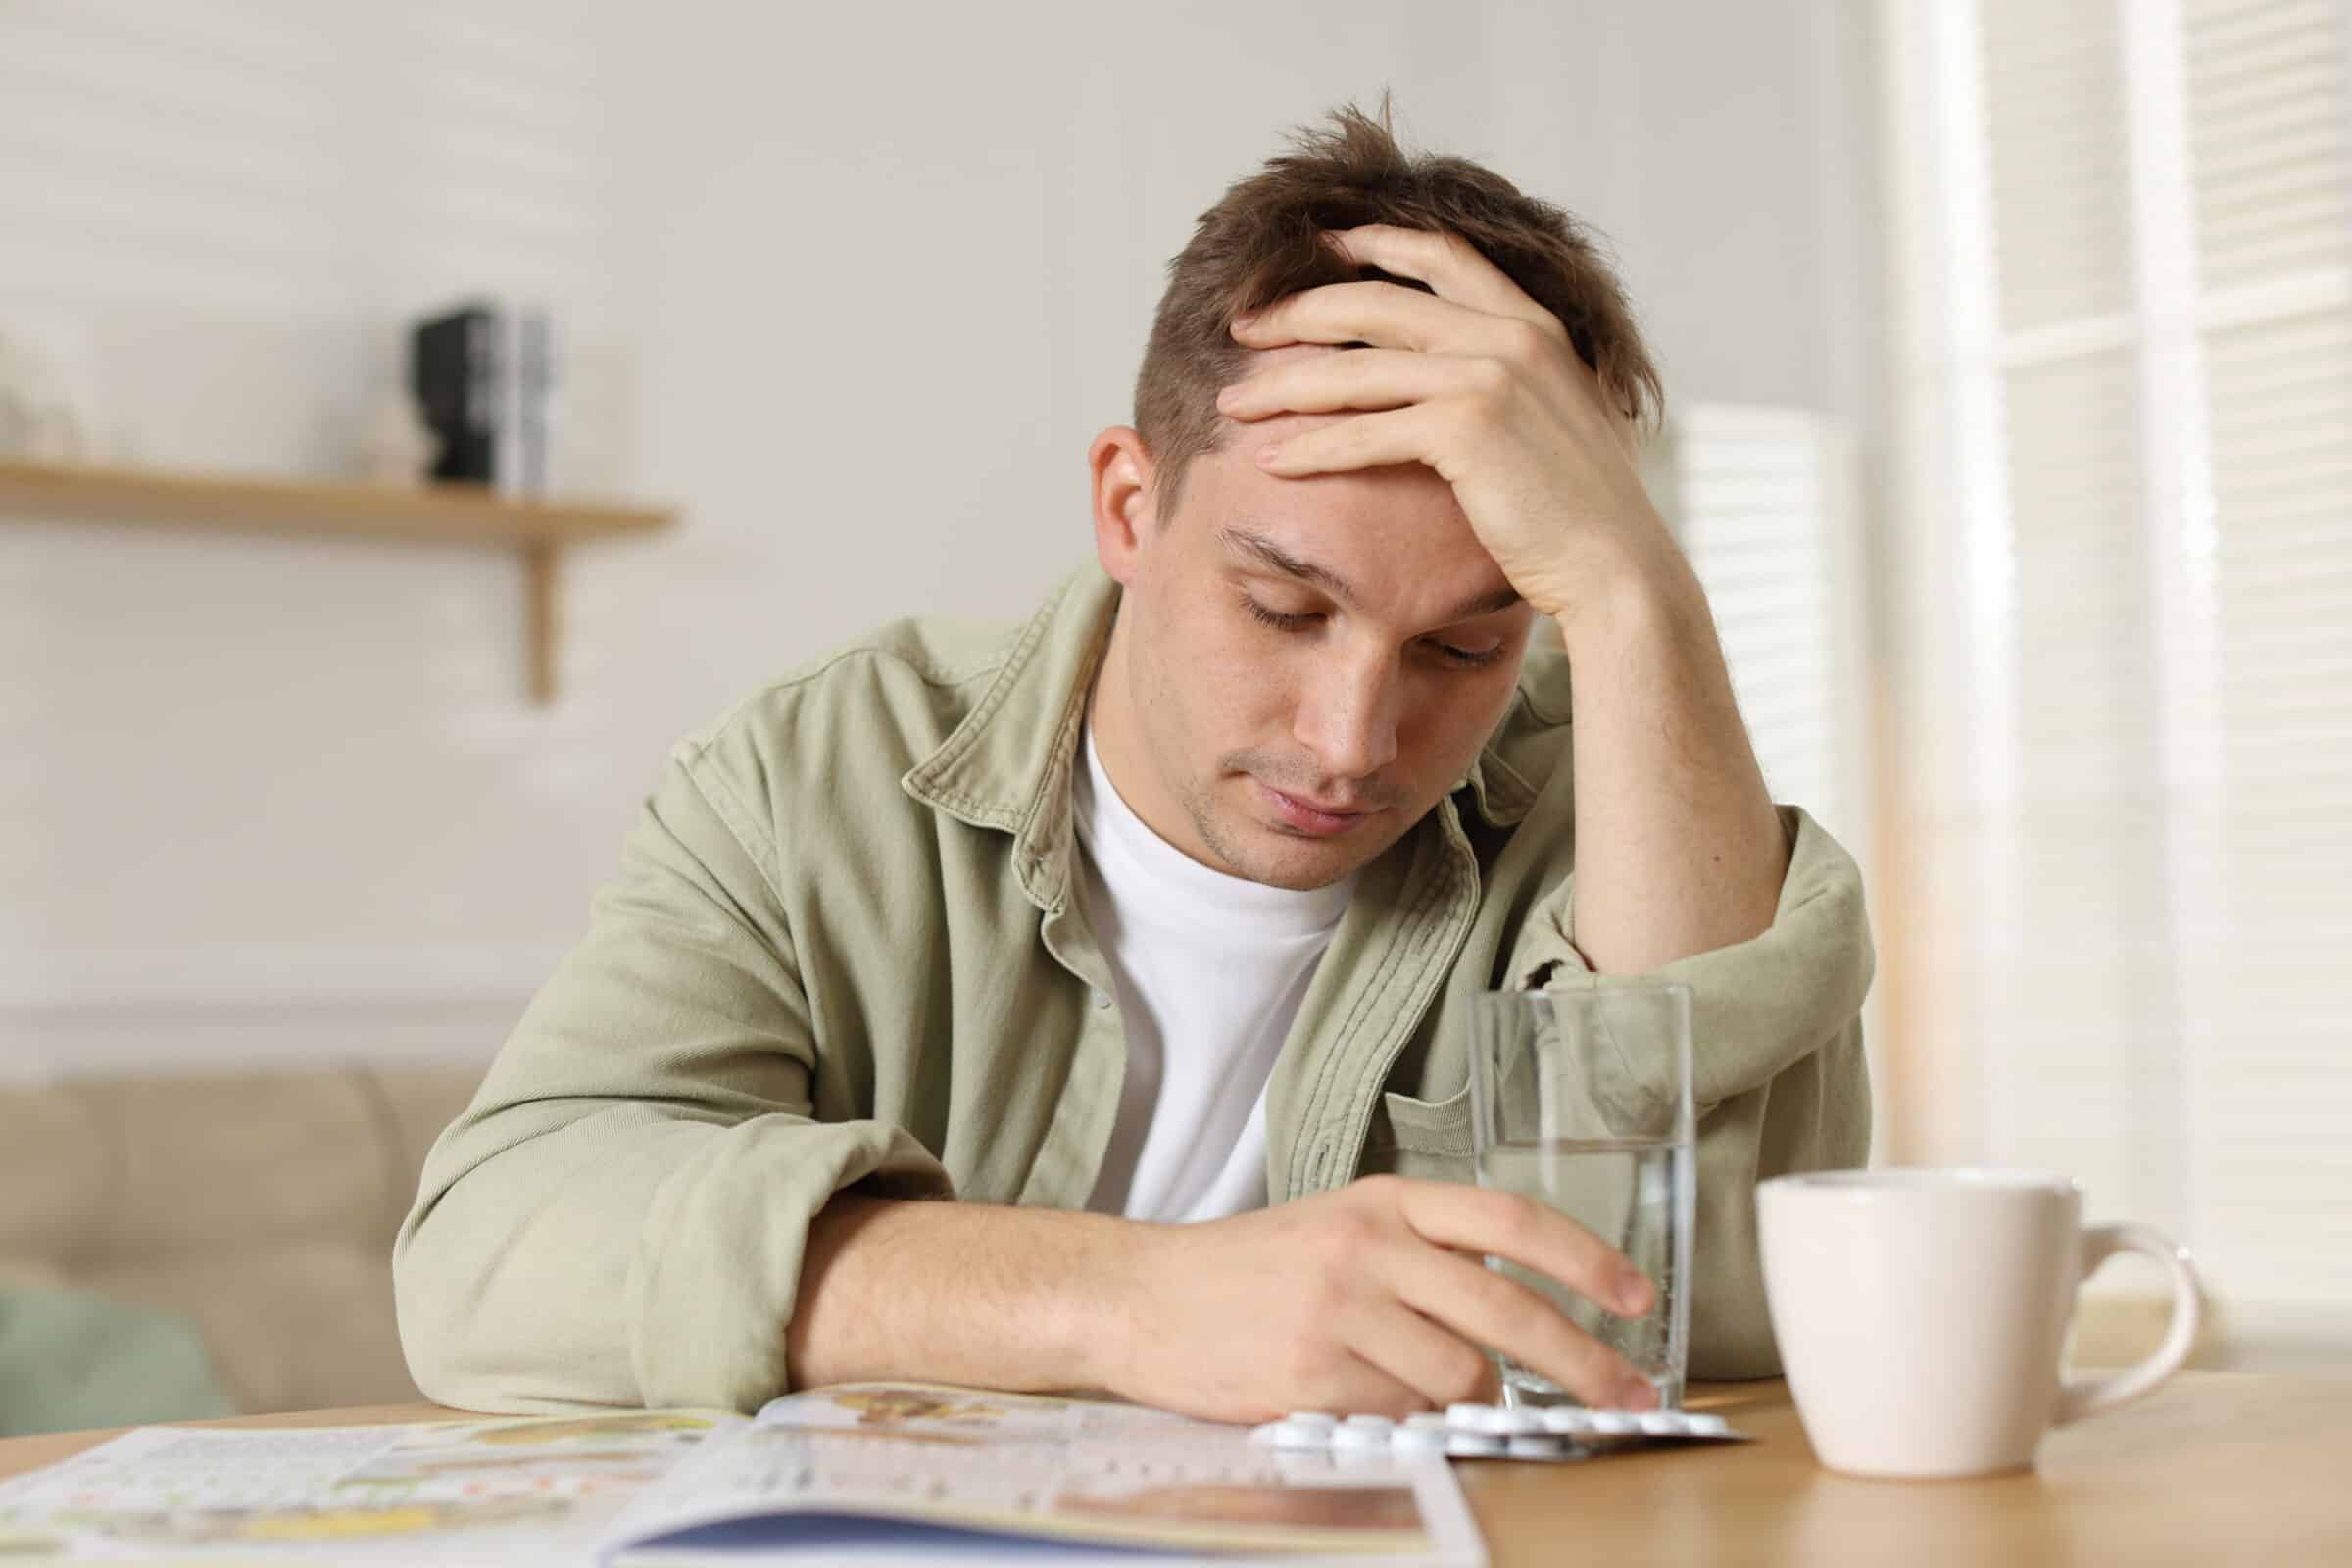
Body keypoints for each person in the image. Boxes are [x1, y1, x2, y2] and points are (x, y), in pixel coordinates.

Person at [394, 100, 1873, 1425]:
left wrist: (1631, 591)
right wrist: (1133, 1301)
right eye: (1285, 607)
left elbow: (1720, 1306)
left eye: (1465, 649)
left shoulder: (1605, 790)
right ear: (1128, 504)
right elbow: (495, 1251)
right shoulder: (821, 771)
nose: (1353, 742)